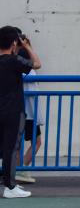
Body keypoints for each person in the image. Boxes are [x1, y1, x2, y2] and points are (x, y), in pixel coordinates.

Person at [0, 26, 40, 199]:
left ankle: (9, 184)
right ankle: (10, 187)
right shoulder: (15, 61)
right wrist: (27, 46)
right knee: (10, 149)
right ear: (14, 42)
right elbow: (37, 64)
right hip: (13, 111)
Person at [12, 31, 39, 188]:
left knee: (18, 143)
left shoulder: (15, 67)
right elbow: (37, 63)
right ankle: (20, 170)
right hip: (29, 112)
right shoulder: (26, 69)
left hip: (23, 111)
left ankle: (18, 170)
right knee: (35, 142)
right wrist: (27, 46)